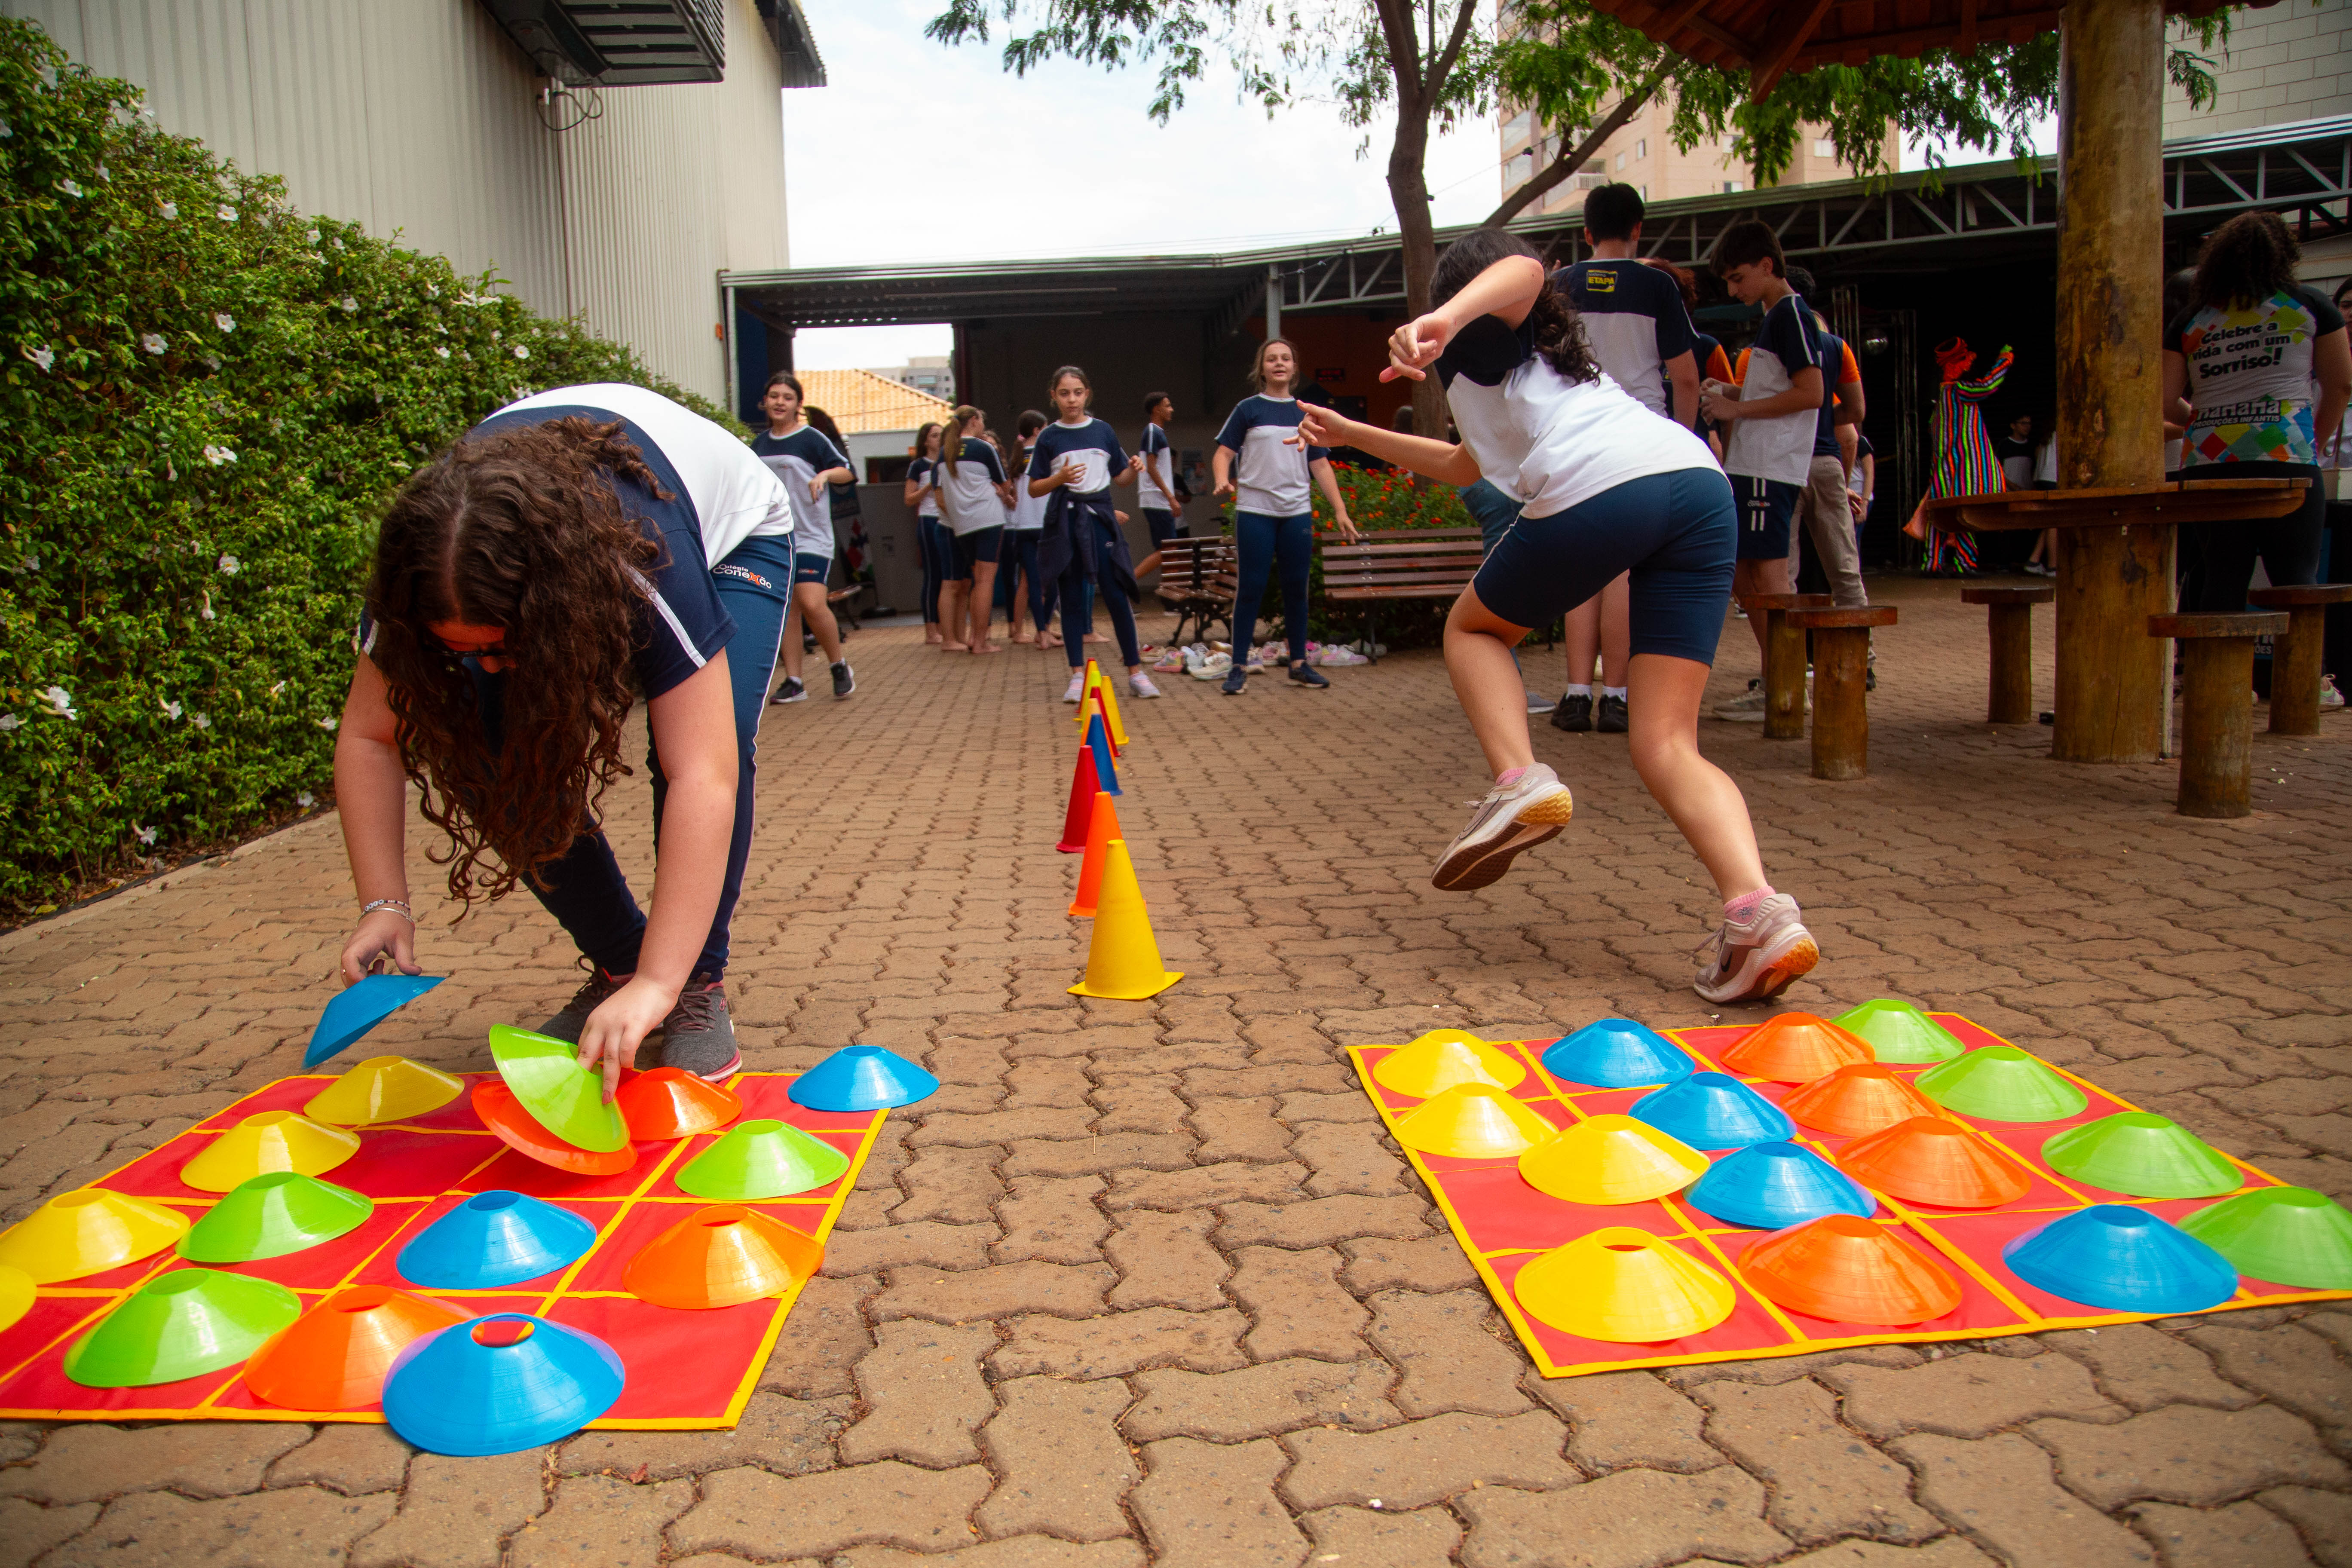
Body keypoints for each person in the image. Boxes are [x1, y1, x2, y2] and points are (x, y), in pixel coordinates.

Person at [1291, 228, 1817, 1004]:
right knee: (1666, 741)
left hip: (1608, 484)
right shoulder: (1541, 366)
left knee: (1472, 629)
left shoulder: (1484, 337)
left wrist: (1443, 317)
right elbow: (1465, 465)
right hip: (1696, 488)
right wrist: (1351, 434)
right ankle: (1759, 913)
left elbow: (1524, 270)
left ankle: (1519, 779)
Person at [334, 382, 797, 1087]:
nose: (489, 665)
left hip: (735, 535)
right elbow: (372, 735)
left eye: (502, 645)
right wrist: (383, 903)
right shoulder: (424, 566)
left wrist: (663, 982)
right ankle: (619, 962)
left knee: (717, 731)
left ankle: (693, 984)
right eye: (464, 647)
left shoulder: (640, 559)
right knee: (476, 740)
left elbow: (704, 772)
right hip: (552, 547)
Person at [1547, 184, 1700, 735]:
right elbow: (1685, 376)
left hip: (1577, 435)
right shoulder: (1658, 285)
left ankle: (1574, 695)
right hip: (1644, 438)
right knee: (1625, 574)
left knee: (1581, 570)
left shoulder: (1557, 286)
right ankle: (1616, 698)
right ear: (1639, 229)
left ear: (1586, 233)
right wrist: (1683, 441)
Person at [2164, 211, 2351, 613]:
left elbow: (2163, 400)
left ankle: (2212, 677)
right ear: (2284, 254)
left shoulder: (2192, 320)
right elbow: (2341, 384)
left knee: (2222, 576)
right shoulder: (2308, 305)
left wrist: (2203, 419)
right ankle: (2301, 678)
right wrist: (2314, 441)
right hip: (2286, 456)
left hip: (2207, 461)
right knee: (2297, 579)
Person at [1700, 220, 1827, 718]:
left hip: (1768, 470)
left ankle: (1787, 685)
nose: (1735, 290)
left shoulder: (1790, 314)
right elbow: (1787, 391)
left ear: (1766, 266)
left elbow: (1812, 393)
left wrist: (1738, 410)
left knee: (1768, 577)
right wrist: (1734, 394)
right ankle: (1779, 679)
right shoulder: (1781, 315)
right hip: (1758, 467)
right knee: (1749, 576)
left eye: (1738, 278)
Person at [1210, 338, 1360, 696]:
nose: (1279, 363)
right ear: (1262, 368)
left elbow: (1320, 463)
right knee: (1251, 589)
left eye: (1286, 358)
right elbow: (1223, 453)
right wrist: (1220, 480)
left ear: (1295, 368)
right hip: (1255, 512)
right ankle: (1238, 667)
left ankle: (1298, 665)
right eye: (1272, 359)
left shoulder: (1306, 412)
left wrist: (1340, 509)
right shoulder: (1248, 409)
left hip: (1296, 512)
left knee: (1297, 589)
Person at [1030, 364, 1162, 702]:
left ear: (1087, 394)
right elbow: (1033, 488)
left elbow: (1119, 478)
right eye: (1064, 393)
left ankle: (1136, 672)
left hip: (1100, 520)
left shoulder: (1103, 431)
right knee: (1072, 597)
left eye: (1077, 392)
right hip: (1065, 521)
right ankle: (1078, 675)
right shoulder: (1049, 437)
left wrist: (1133, 472)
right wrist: (1059, 479)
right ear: (1053, 397)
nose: (1071, 400)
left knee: (1117, 595)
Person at [750, 374, 856, 704]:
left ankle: (839, 666)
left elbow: (847, 471)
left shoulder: (811, 438)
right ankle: (794, 681)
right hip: (775, 536)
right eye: (774, 396)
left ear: (798, 404)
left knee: (811, 602)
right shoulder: (759, 445)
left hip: (812, 535)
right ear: (765, 402)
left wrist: (824, 474)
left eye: (788, 397)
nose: (780, 402)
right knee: (787, 610)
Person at [934, 404, 1012, 655]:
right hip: (988, 519)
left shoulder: (945, 452)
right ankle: (980, 642)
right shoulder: (984, 448)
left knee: (975, 580)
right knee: (985, 581)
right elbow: (1005, 483)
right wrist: (1003, 493)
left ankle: (972, 638)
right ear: (975, 421)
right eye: (982, 421)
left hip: (961, 524)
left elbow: (939, 494)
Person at [1002, 409, 1054, 646]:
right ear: (1037, 431)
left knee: (1033, 581)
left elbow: (1011, 492)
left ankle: (1042, 633)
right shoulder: (1047, 454)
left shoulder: (1017, 457)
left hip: (1023, 526)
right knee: (1054, 579)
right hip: (1045, 523)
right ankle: (1045, 628)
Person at [905, 422, 951, 647]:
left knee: (947, 575)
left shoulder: (947, 461)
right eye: (934, 436)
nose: (939, 439)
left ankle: (945, 627)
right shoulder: (918, 465)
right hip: (928, 520)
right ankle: (931, 630)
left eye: (941, 435)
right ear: (925, 441)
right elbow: (909, 499)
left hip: (948, 520)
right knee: (933, 575)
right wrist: (928, 487)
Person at [1134, 393, 1185, 581]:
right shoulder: (1152, 431)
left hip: (1159, 499)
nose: (1171, 409)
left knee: (1169, 550)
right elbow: (1151, 467)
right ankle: (1127, 582)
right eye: (1168, 405)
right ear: (1157, 409)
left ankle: (1171, 603)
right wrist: (1171, 498)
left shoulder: (1159, 433)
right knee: (1170, 549)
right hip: (1156, 499)